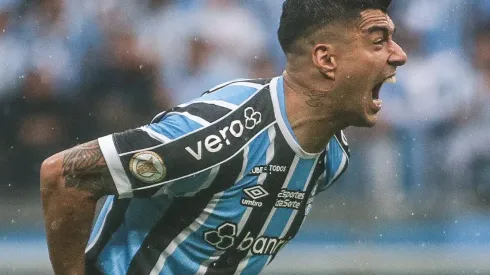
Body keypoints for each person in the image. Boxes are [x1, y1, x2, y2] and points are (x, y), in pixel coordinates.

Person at [40, 0, 407, 274]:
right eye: (379, 42)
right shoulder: (219, 135)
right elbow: (64, 176)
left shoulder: (332, 157)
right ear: (326, 59)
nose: (399, 55)